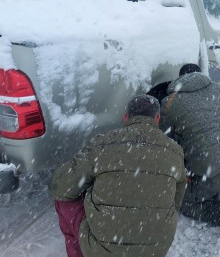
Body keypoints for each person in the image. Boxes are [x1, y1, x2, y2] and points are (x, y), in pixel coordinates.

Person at [50, 94, 186, 257]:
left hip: (102, 251)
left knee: (63, 202)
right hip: (155, 249)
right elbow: (178, 194)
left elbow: (61, 187)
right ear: (157, 118)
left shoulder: (103, 143)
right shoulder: (174, 150)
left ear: (126, 116)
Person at [160, 64, 220, 244]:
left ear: (179, 79)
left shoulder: (170, 103)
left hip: (216, 168)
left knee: (180, 198)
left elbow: (162, 139)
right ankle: (211, 182)